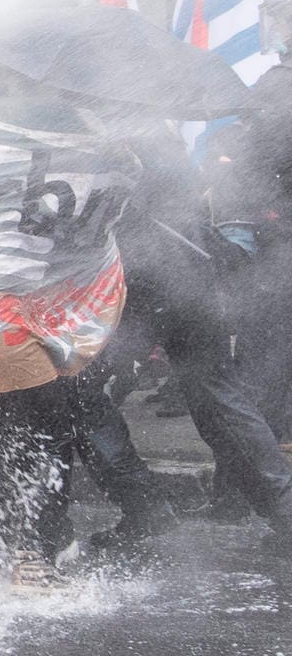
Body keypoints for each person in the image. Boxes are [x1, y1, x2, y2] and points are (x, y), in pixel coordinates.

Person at [69, 118, 292, 562]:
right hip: (180, 288)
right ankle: (282, 510)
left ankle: (144, 504)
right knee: (216, 400)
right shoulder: (152, 139)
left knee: (79, 389)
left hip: (147, 289)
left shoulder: (119, 144)